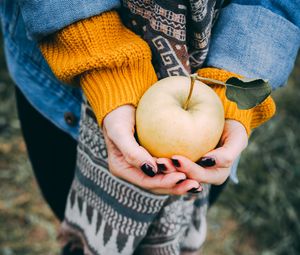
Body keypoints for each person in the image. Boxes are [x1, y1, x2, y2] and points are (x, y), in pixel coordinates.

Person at [1, 0, 299, 254]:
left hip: (212, 88)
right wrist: (108, 73)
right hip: (72, 82)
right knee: (63, 199)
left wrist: (235, 81)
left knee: (192, 195)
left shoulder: (215, 107)